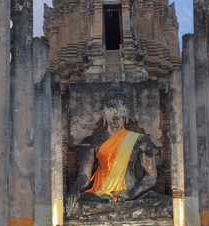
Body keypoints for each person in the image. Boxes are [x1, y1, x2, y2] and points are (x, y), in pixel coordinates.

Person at [65, 84, 161, 216]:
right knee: (74, 205)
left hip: (131, 196)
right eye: (110, 108)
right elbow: (84, 176)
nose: (116, 114)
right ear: (103, 112)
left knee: (166, 204)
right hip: (101, 195)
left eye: (120, 108)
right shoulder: (91, 141)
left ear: (127, 111)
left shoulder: (141, 139)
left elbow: (151, 177)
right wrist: (74, 191)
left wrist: (131, 194)